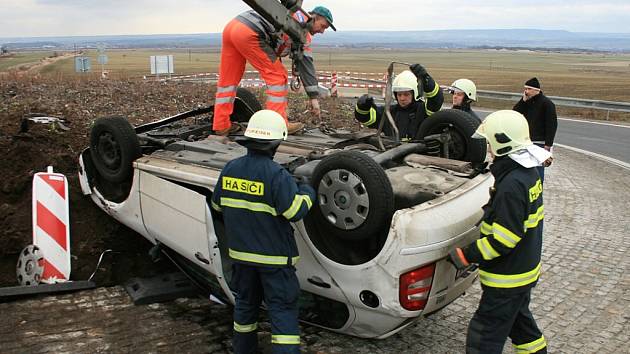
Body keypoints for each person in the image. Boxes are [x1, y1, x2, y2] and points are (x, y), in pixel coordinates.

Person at [211, 110, 316, 354]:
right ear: (275, 143)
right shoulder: (276, 175)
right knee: (282, 312)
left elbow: (217, 206)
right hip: (275, 261)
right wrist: (307, 191)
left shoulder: (230, 169)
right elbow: (294, 211)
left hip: (241, 258)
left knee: (245, 307)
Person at [448, 110, 551, 354]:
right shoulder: (527, 173)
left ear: (502, 142)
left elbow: (505, 239)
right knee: (522, 327)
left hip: (507, 278)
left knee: (484, 336)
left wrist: (466, 255)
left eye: (490, 142)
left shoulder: (512, 185)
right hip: (523, 272)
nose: (488, 148)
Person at [213, 6, 336, 136]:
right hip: (250, 31)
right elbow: (306, 65)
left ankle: (221, 125)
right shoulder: (302, 30)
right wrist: (313, 98)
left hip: (232, 27)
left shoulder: (293, 15)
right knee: (278, 78)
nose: (322, 31)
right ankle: (278, 125)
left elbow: (275, 46)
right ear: (314, 18)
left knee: (228, 81)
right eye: (323, 26)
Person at [354, 64, 443, 141]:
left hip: (419, 156)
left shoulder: (424, 110)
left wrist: (426, 80)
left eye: (406, 94)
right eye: (399, 95)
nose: (402, 98)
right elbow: (366, 119)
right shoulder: (389, 112)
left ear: (415, 93)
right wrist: (362, 107)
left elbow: (436, 99)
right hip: (392, 155)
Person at [512, 77, 557, 181]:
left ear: (537, 90)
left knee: (538, 172)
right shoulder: (526, 102)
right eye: (525, 89)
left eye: (529, 89)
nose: (526, 91)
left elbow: (552, 125)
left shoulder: (547, 104)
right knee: (526, 170)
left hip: (540, 143)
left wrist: (548, 145)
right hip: (527, 142)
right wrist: (523, 101)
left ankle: (537, 194)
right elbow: (515, 113)